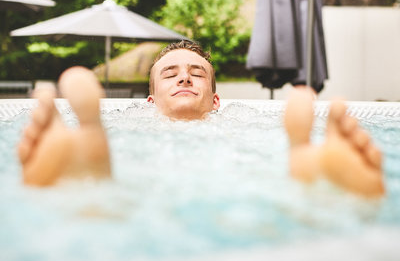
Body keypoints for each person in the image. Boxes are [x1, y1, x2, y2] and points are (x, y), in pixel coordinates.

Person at [17, 40, 385, 197]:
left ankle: (323, 190)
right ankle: (86, 182)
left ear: (216, 98)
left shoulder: (244, 129)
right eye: (170, 73)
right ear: (150, 99)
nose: (184, 77)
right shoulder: (129, 127)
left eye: (197, 72)